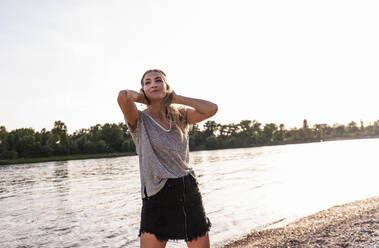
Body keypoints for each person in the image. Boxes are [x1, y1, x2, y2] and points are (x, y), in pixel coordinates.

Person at [117, 69, 218, 248]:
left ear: (166, 86)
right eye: (147, 82)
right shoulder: (138, 120)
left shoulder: (180, 115)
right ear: (142, 89)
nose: (153, 84)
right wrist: (147, 98)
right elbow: (123, 96)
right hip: (157, 193)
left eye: (158, 81)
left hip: (188, 190)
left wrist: (175, 98)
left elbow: (212, 108)